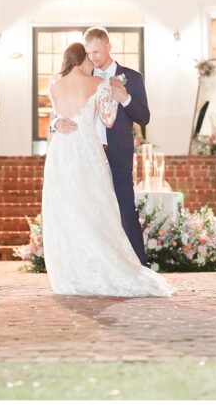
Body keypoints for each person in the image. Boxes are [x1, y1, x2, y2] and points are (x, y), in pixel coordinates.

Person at [41, 42, 172, 297]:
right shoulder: (96, 84)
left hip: (61, 153)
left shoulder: (53, 85)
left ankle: (73, 271)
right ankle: (106, 267)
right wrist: (114, 94)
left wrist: (57, 121)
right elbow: (108, 119)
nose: (93, 62)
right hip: (87, 151)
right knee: (98, 210)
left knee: (68, 210)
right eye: (88, 58)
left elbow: (55, 115)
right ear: (81, 60)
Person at [53, 26, 152, 265]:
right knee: (90, 208)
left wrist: (125, 99)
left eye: (97, 51)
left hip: (117, 151)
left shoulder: (133, 77)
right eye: (89, 52)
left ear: (109, 46)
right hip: (86, 152)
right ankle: (98, 264)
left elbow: (145, 118)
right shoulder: (83, 77)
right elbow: (63, 107)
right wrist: (56, 123)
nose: (93, 57)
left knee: (125, 207)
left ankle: (140, 263)